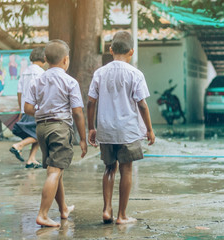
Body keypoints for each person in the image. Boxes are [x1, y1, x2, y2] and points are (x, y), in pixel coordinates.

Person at [87, 31, 155, 225]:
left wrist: (92, 128)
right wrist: (149, 129)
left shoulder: (100, 73)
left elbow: (91, 102)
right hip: (128, 131)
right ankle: (122, 215)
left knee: (109, 168)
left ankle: (107, 209)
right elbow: (142, 104)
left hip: (106, 129)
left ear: (110, 50)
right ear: (131, 51)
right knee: (126, 170)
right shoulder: (135, 74)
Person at [24, 39, 87, 227]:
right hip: (59, 128)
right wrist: (83, 138)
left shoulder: (38, 79)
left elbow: (27, 107)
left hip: (42, 128)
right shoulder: (70, 81)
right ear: (66, 60)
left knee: (55, 168)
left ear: (45, 58)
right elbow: (77, 112)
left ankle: (63, 209)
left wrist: (44, 112)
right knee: (54, 171)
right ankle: (42, 214)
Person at [10, 48, 45, 169]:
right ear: (44, 59)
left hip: (26, 108)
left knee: (35, 134)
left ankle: (31, 159)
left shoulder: (24, 72)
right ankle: (19, 145)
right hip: (36, 108)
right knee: (40, 134)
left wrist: (21, 110)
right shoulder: (41, 73)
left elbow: (19, 92)